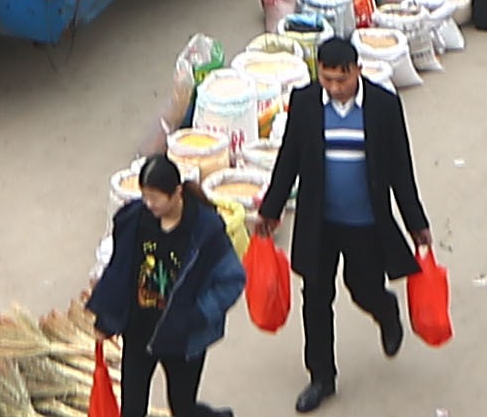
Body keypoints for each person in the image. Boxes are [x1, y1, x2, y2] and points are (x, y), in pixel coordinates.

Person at [251, 34, 429, 411]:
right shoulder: (305, 104)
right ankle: (321, 377)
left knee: (362, 286)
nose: (334, 88)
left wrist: (416, 223)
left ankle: (385, 311)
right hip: (319, 224)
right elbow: (289, 161)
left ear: (357, 72)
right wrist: (270, 210)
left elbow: (401, 169)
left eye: (341, 80)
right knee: (315, 299)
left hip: (364, 222)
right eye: (327, 79)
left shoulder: (383, 107)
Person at [84, 154, 243, 417]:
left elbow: (232, 280)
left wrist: (199, 314)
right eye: (145, 196)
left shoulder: (205, 231)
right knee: (132, 411)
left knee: (182, 408)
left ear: (177, 192)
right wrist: (105, 319)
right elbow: (119, 271)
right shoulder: (134, 220)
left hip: (182, 338)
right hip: (138, 333)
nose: (149, 204)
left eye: (155, 198)